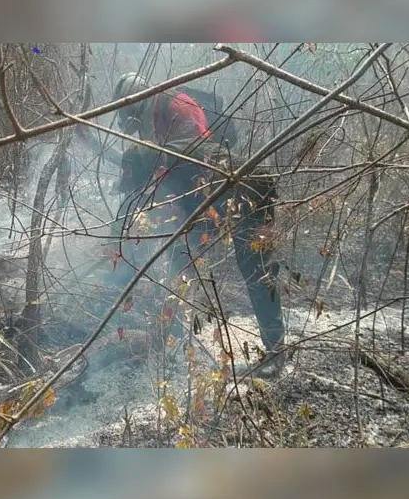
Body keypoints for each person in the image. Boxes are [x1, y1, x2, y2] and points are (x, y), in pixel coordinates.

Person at [110, 72, 287, 379]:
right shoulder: (155, 129)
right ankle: (172, 345)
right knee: (181, 266)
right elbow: (170, 181)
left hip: (242, 191)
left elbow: (197, 152)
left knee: (257, 271)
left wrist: (145, 157)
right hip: (205, 201)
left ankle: (277, 352)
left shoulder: (177, 104)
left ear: (137, 102)